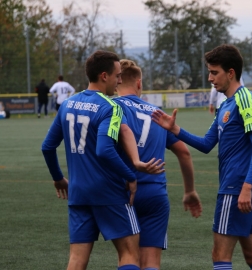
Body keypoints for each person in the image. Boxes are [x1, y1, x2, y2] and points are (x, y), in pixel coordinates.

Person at [41, 50, 164, 270]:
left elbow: (47, 147)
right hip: (109, 193)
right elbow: (104, 150)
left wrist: (59, 178)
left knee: (77, 260)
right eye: (117, 75)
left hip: (78, 193)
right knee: (129, 253)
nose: (119, 81)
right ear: (104, 76)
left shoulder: (68, 104)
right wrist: (130, 175)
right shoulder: (111, 107)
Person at [152, 44, 252, 270]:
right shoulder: (225, 104)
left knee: (220, 255)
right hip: (247, 187)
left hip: (237, 188)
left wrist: (245, 186)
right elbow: (207, 144)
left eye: (215, 72)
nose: (210, 78)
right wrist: (176, 130)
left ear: (231, 72)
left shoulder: (244, 99)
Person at [113, 59, 202, 270]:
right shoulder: (157, 113)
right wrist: (189, 190)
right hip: (155, 194)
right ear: (139, 83)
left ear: (117, 82)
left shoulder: (112, 108)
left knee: (128, 257)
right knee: (151, 262)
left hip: (124, 191)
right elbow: (184, 153)